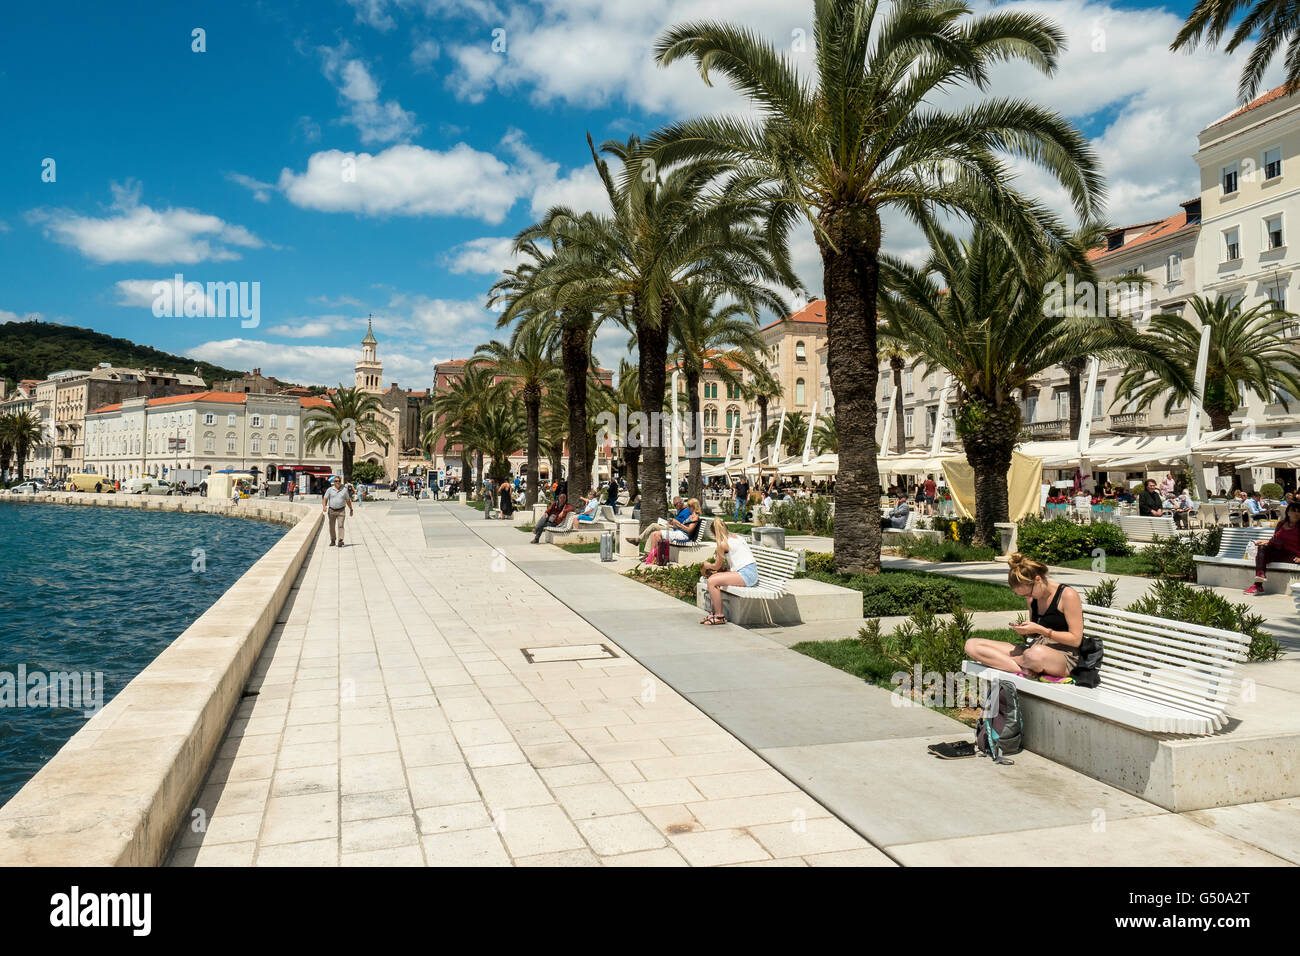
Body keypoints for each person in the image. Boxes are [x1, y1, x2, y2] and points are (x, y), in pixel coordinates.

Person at [963, 554, 1086, 680]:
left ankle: (1008, 662)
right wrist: (1027, 630)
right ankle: (1021, 668)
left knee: (1035, 655)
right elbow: (1035, 634)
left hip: (1062, 657)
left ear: (1038, 580)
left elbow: (1076, 640)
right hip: (1034, 650)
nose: (1028, 597)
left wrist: (1041, 630)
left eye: (1029, 593)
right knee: (971, 645)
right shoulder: (1032, 598)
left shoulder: (1067, 595)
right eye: (1023, 596)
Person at [699, 518, 759, 625]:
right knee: (714, 580)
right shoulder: (737, 537)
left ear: (714, 533)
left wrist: (707, 565)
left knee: (712, 581)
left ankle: (719, 616)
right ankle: (713, 613)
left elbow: (716, 566)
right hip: (750, 572)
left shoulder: (723, 544)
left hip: (746, 575)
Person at [1245, 500, 1300, 594]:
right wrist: (1267, 542)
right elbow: (1275, 539)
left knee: (1262, 557)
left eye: (1299, 511)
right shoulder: (1281, 524)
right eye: (1293, 511)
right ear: (1288, 512)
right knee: (1262, 548)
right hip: (1280, 552)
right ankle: (1260, 577)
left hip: (1293, 556)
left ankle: (1257, 585)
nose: (1296, 513)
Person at [323, 475, 353, 547]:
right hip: (331, 510)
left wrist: (351, 509)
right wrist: (324, 506)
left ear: (340, 482)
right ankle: (333, 540)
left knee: (340, 525)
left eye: (339, 481)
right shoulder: (329, 489)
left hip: (341, 510)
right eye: (336, 481)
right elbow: (325, 498)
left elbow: (348, 500)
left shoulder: (344, 490)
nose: (338, 482)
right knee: (331, 526)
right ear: (334, 482)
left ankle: (340, 540)